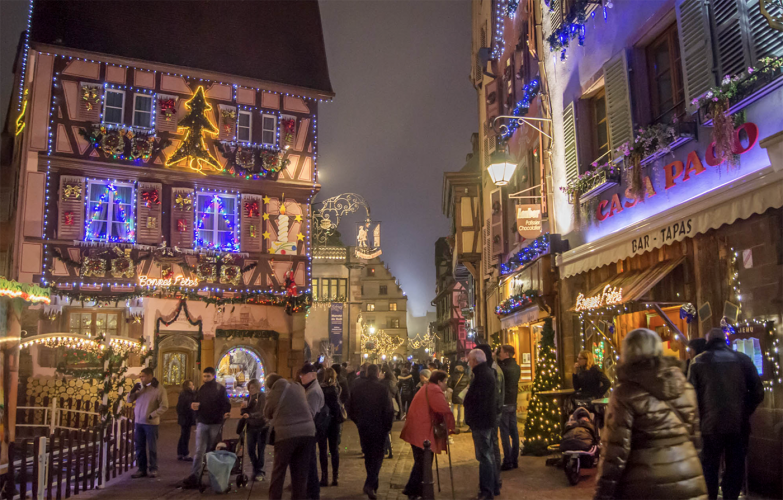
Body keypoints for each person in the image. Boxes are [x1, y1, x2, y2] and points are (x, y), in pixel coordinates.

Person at [594, 328, 707, 500]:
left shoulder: (625, 393)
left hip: (645, 484)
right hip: (689, 477)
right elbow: (695, 439)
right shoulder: (684, 387)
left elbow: (614, 453)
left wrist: (603, 494)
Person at [688, 328, 764, 500]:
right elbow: (758, 392)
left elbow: (690, 396)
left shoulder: (698, 362)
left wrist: (698, 419)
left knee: (709, 467)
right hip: (738, 425)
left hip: (709, 426)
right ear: (725, 340)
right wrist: (745, 410)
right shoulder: (743, 359)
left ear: (708, 341)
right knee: (735, 467)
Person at [400, 370, 455, 500]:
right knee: (423, 462)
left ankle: (416, 490)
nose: (446, 384)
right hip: (422, 430)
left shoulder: (427, 387)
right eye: (445, 381)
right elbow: (443, 409)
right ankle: (412, 490)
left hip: (417, 428)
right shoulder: (434, 390)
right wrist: (451, 426)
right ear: (439, 381)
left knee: (421, 461)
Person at [265, 374, 316, 500]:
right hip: (308, 433)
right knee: (300, 472)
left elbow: (267, 413)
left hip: (286, 435)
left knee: (279, 471)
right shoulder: (298, 387)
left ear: (271, 386)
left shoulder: (274, 393)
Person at [348, 364, 394, 500]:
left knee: (368, 455)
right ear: (378, 373)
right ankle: (370, 483)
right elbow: (389, 410)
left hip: (364, 426)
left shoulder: (358, 388)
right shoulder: (382, 388)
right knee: (378, 456)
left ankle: (372, 483)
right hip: (379, 426)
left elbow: (350, 408)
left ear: (367, 373)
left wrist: (358, 421)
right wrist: (387, 426)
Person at [182, 367, 232, 488]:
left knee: (213, 451)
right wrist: (194, 407)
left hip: (215, 423)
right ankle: (195, 476)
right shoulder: (201, 389)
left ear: (213, 376)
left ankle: (213, 477)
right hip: (202, 423)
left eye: (208, 376)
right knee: (199, 450)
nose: (205, 379)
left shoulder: (220, 389)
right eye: (204, 376)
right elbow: (195, 402)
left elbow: (226, 404)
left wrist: (225, 413)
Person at [464, 349, 498, 500]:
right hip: (484, 420)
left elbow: (477, 400)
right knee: (487, 454)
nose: (468, 363)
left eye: (470, 360)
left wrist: (471, 415)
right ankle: (492, 486)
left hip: (481, 421)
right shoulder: (484, 373)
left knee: (484, 456)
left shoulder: (482, 376)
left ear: (476, 361)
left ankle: (487, 490)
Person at [127, 367, 168, 478]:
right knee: (139, 446)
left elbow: (164, 406)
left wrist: (152, 415)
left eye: (143, 376)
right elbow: (129, 400)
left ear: (150, 376)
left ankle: (153, 468)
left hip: (151, 423)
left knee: (151, 447)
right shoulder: (140, 388)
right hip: (139, 422)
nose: (141, 378)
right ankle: (141, 469)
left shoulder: (159, 389)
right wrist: (132, 392)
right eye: (140, 376)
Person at [477, 344, 503, 496]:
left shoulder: (493, 371)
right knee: (491, 449)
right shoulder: (492, 370)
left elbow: (496, 395)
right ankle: (494, 482)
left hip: (491, 415)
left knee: (491, 449)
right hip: (492, 413)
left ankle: (495, 482)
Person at [300, 363, 326, 500]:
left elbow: (310, 413)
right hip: (310, 429)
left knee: (310, 463)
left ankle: (312, 492)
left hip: (310, 430)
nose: (301, 378)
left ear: (311, 375)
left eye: (302, 375)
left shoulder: (313, 391)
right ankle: (310, 490)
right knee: (309, 462)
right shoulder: (311, 389)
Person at [319, 368, 344, 487]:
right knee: (334, 450)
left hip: (323, 422)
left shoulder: (320, 389)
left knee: (323, 450)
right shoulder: (336, 389)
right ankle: (335, 476)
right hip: (334, 421)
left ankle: (324, 477)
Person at [497, 345, 520, 470]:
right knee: (514, 432)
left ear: (506, 353)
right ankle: (515, 459)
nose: (499, 354)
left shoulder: (503, 369)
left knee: (505, 433)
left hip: (505, 403)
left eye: (500, 352)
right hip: (513, 402)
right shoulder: (516, 367)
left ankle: (508, 460)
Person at [241, 379, 268, 482]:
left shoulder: (262, 396)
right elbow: (244, 412)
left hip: (261, 426)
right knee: (250, 449)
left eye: (253, 388)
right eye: (249, 388)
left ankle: (260, 470)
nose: (251, 390)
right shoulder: (248, 398)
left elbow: (262, 412)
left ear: (257, 387)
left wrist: (250, 415)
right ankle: (256, 468)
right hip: (250, 426)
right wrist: (243, 409)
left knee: (261, 449)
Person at [381, 366, 399, 458]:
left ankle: (387, 450)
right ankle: (390, 449)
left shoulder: (383, 383)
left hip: (384, 406)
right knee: (388, 429)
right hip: (393, 407)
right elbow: (398, 397)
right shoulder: (394, 384)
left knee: (384, 430)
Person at [176, 379, 196, 461]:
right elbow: (189, 407)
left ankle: (180, 453)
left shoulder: (183, 394)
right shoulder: (188, 395)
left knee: (183, 435)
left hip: (183, 417)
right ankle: (185, 453)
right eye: (191, 384)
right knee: (185, 436)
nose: (193, 386)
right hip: (187, 418)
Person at [447, 362, 470, 432]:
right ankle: (461, 421)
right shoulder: (466, 376)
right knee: (463, 407)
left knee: (455, 407)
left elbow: (449, 384)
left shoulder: (453, 376)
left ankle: (455, 421)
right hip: (463, 394)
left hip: (456, 393)